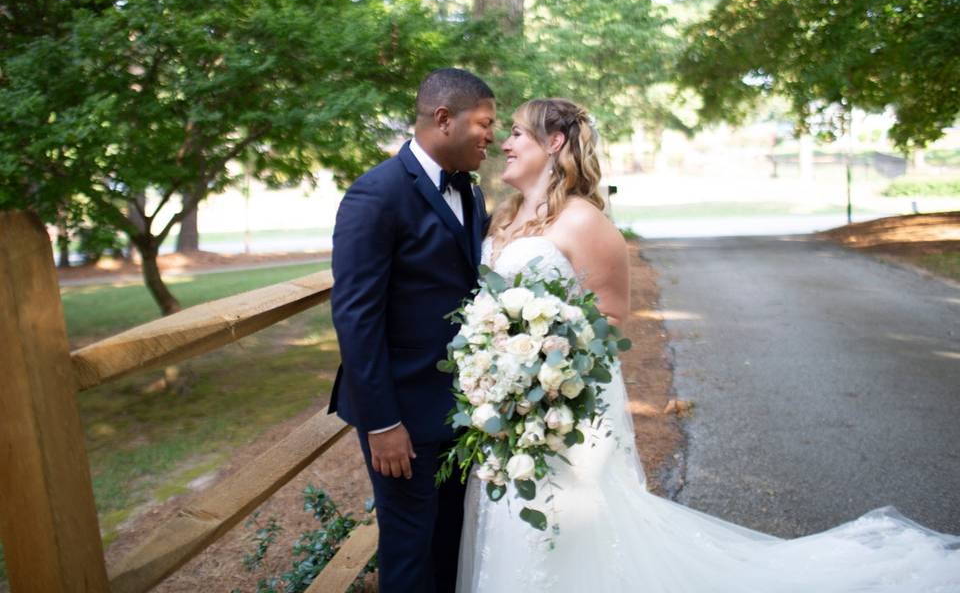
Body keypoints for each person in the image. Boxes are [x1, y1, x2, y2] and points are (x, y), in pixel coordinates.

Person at [456, 97, 960, 592]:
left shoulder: (585, 221)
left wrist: (543, 369)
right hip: (507, 404)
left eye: (518, 132)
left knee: (566, 521)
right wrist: (495, 370)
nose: (506, 142)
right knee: (512, 515)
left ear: (555, 141)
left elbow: (609, 317)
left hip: (559, 405)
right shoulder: (503, 216)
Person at [330, 67, 495, 592]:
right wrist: (381, 424)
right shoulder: (374, 195)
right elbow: (356, 316)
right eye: (485, 123)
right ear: (444, 119)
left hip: (459, 405)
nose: (492, 135)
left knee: (452, 541)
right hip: (400, 417)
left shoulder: (471, 192)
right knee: (408, 552)